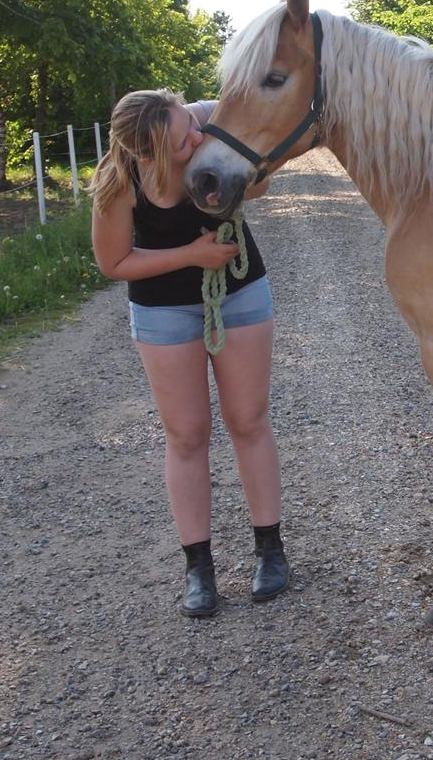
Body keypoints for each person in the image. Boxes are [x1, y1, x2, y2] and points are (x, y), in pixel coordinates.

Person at [90, 88, 288, 618]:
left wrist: (253, 176)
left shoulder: (203, 124)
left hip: (242, 291)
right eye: (184, 142)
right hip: (163, 313)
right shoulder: (120, 181)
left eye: (192, 124)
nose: (197, 138)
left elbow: (259, 185)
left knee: (249, 421)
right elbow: (114, 262)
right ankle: (198, 568)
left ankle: (270, 550)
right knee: (185, 436)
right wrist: (193, 256)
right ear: (149, 155)